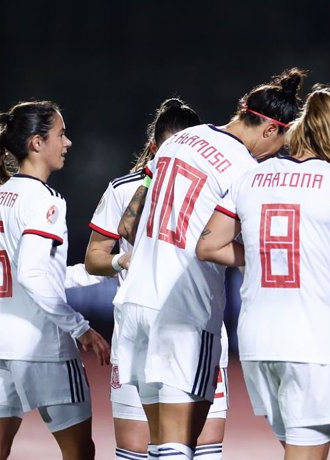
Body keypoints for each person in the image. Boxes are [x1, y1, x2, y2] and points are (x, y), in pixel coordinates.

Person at [113, 69, 307, 459]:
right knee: (180, 444)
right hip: (184, 309)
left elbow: (127, 224)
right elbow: (221, 245)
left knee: (159, 443)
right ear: (270, 130)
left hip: (134, 303)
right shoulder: (246, 170)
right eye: (281, 143)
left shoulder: (179, 139)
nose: (277, 153)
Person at [196, 85, 330, 460]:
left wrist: (263, 256)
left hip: (257, 341)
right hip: (311, 342)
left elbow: (209, 245)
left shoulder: (250, 177)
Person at [83, 98, 231, 459]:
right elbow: (94, 258)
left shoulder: (217, 186)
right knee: (136, 449)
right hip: (140, 327)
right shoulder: (123, 190)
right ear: (153, 150)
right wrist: (122, 260)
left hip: (195, 328)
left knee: (202, 446)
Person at [0, 101, 110, 459]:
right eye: (60, 134)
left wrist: (106, 268)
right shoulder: (44, 199)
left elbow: (35, 275)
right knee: (79, 451)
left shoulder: (2, 195)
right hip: (41, 348)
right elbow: (34, 275)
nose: (66, 143)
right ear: (37, 143)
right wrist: (80, 328)